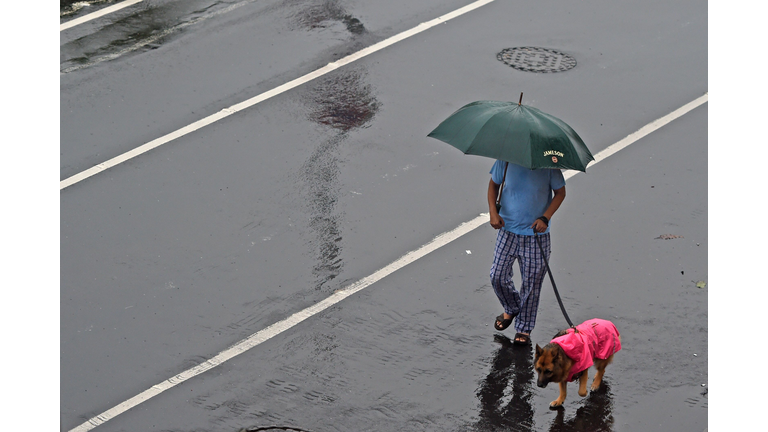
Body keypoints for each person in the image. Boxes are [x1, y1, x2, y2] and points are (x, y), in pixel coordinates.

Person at [487, 160, 566, 345]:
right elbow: (493, 185)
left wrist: (545, 217)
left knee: (532, 285)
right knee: (497, 275)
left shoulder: (548, 166)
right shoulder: (505, 160)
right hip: (507, 230)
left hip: (536, 235)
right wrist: (493, 212)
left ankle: (524, 328)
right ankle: (512, 306)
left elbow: (560, 193)